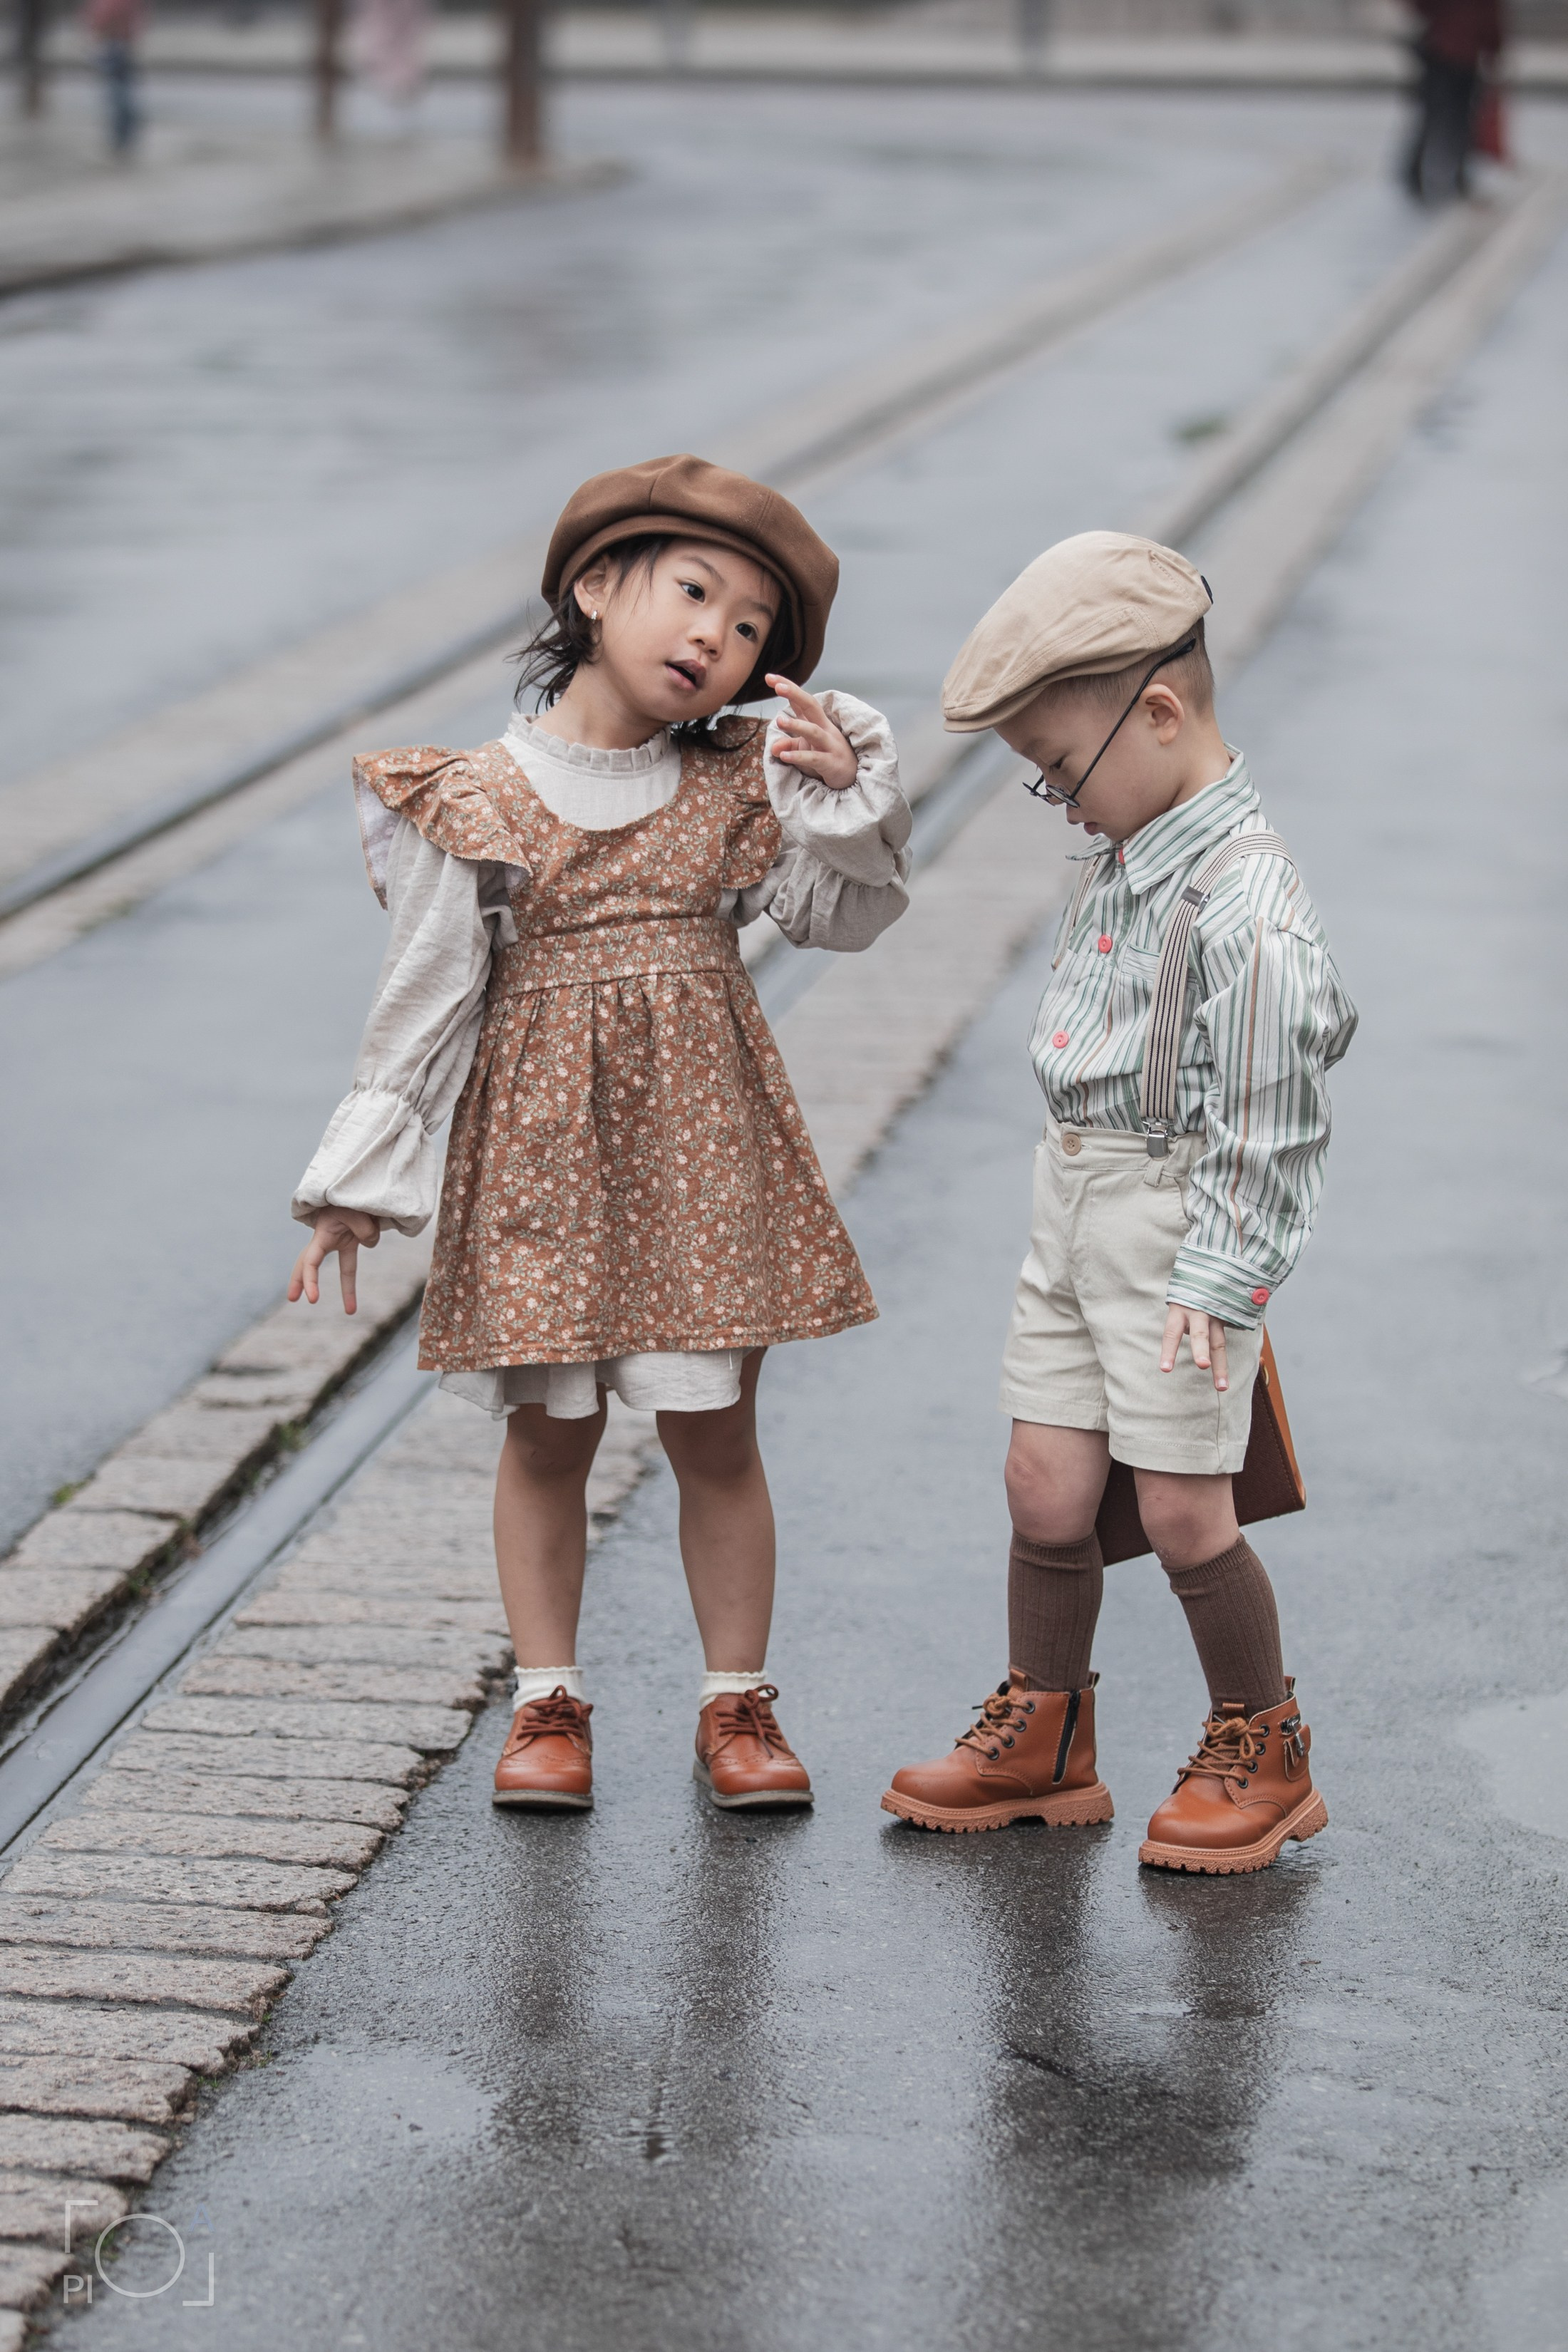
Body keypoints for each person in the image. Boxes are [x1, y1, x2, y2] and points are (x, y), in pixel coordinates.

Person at [289, 457, 911, 1815]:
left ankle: (736, 1701)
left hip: (706, 1147)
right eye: (692, 592)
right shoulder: (475, 794)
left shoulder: (742, 783)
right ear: (592, 587)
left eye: (749, 626)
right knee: (547, 1439)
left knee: (716, 1430)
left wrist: (845, 798)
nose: (713, 636)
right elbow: (428, 992)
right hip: (542, 1159)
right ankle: (547, 1700)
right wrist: (357, 1182)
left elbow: (845, 917)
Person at [883, 532, 1357, 1875]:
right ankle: (1047, 1733)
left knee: (1185, 1507)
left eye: (1060, 769)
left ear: (1157, 714)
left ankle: (1264, 1744)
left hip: (1177, 1222)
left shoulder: (1247, 904)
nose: (1059, 802)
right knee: (1043, 1482)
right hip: (1074, 1203)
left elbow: (1270, 1119)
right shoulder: (1128, 847)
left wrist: (1220, 1275)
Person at [1403, 0, 1505, 204]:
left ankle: (1433, 176)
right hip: (1454, 54)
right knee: (1453, 120)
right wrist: (1494, 47)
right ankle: (1433, 176)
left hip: (1447, 52)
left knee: (1446, 120)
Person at [83, 0, 145, 157]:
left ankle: (120, 139)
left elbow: (101, 19)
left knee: (117, 95)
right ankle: (123, 138)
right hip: (120, 46)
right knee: (120, 94)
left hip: (114, 46)